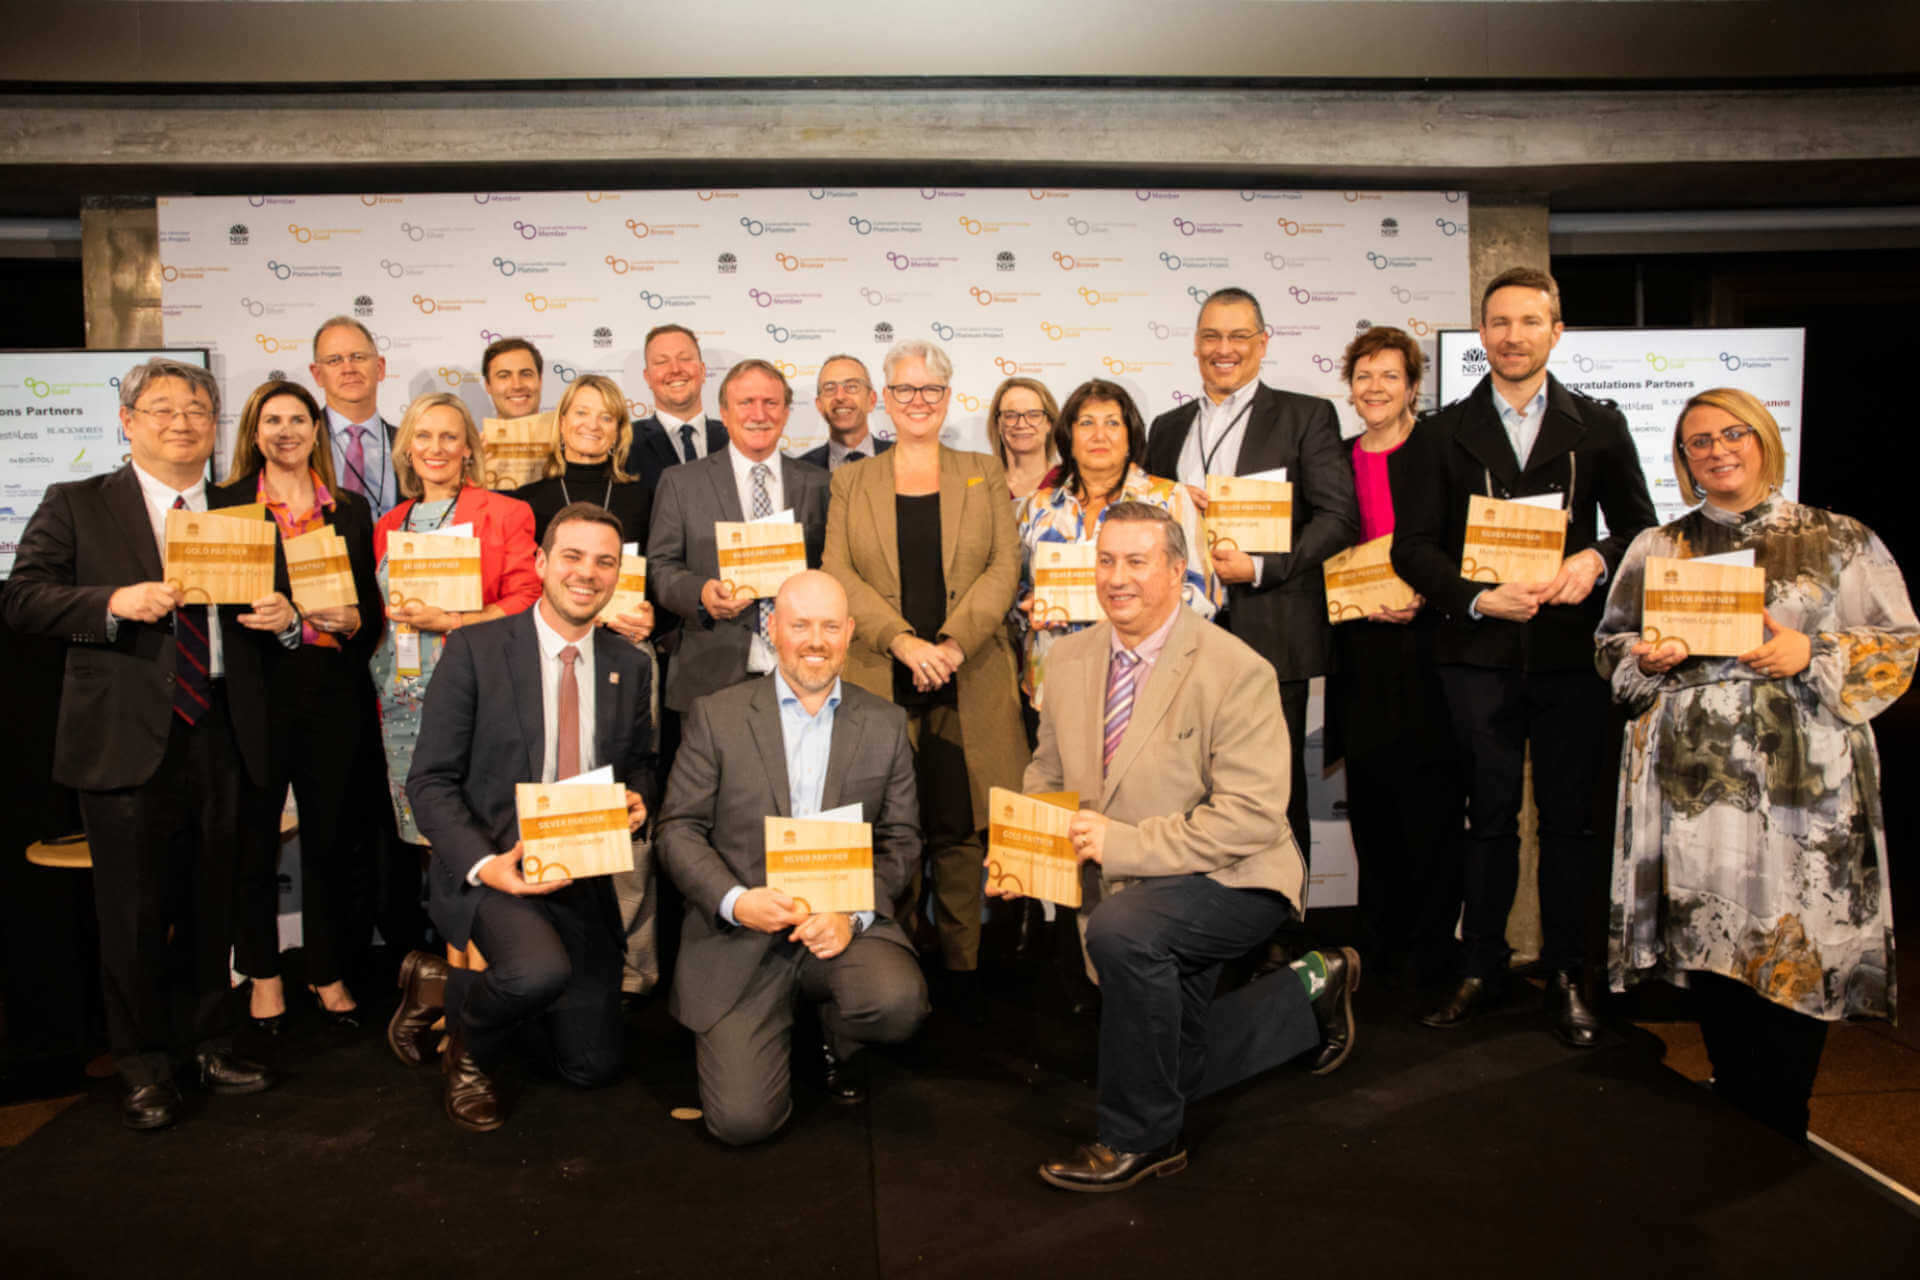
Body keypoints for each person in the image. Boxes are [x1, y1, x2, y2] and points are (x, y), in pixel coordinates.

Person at [999, 503, 1357, 1191]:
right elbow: (1046, 776)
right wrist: (1028, 855)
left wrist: (1122, 844)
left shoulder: (1235, 668)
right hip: (1134, 884)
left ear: (1175, 569)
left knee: (1126, 933)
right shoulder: (1070, 658)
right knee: (1172, 1062)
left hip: (1235, 876)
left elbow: (1251, 819)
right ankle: (1309, 991)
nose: (1117, 578)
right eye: (1106, 561)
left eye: (1137, 562)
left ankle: (1143, 1139)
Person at [1596, 389, 1914, 1141]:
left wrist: (1815, 650)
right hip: (1691, 790)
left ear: (1764, 438)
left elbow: (1898, 640)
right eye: (1697, 442)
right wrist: (1646, 655)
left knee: (1793, 939)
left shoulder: (1839, 539)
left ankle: (1784, 1115)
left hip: (1804, 788)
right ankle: (1737, 1103)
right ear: (1683, 461)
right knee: (1713, 938)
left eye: (1731, 434)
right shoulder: (1657, 548)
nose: (1717, 451)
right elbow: (1611, 650)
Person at [3, 357, 297, 1129]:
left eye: (197, 408)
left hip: (224, 732)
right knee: (131, 912)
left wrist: (284, 619)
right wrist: (111, 602)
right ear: (128, 422)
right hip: (125, 740)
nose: (182, 420)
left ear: (213, 425)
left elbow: (278, 612)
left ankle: (209, 1043)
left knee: (214, 900)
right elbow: (22, 598)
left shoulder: (244, 511)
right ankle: (141, 1065)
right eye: (162, 408)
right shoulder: (77, 504)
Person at [1390, 266, 1658, 1045]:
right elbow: (1412, 547)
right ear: (1483, 334)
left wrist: (1596, 562)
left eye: (1529, 322)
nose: (1513, 336)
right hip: (1477, 653)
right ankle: (1481, 967)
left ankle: (1571, 973)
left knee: (1573, 824)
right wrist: (1476, 595)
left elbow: (1640, 527)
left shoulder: (1598, 425)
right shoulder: (1439, 432)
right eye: (1499, 323)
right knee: (1487, 821)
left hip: (1573, 655)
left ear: (1556, 331)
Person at [394, 503, 657, 1130]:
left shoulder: (631, 663)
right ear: (540, 562)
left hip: (582, 874)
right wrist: (489, 867)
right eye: (572, 556)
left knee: (590, 1065)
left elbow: (640, 763)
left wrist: (642, 800)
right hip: (494, 865)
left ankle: (441, 986)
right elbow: (428, 782)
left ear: (619, 574)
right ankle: (467, 1051)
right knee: (536, 971)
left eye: (604, 561)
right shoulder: (476, 650)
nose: (586, 573)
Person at [657, 570, 930, 1145]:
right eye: (800, 624)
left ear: (850, 633)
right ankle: (777, 1030)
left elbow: (902, 840)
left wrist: (851, 915)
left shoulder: (883, 723)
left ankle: (836, 1028)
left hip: (840, 928)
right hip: (742, 934)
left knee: (897, 1003)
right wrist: (736, 902)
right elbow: (678, 829)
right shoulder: (717, 716)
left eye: (830, 626)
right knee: (741, 1124)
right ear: (773, 628)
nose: (815, 640)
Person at [821, 339, 1028, 1015]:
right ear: (884, 399)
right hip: (882, 673)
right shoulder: (853, 480)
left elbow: (1003, 569)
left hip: (968, 675)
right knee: (888, 826)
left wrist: (950, 645)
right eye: (904, 391)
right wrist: (907, 643)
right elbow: (838, 574)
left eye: (930, 391)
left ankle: (966, 975)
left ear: (948, 398)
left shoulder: (981, 471)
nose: (917, 402)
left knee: (961, 823)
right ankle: (892, 964)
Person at [1145, 286, 1358, 866]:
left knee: (1272, 790)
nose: (1225, 348)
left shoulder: (1305, 415)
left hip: (1273, 633)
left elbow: (1340, 517)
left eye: (1239, 335)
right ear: (1194, 346)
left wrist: (1264, 566)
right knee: (1185, 786)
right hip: (1180, 637)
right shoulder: (1166, 428)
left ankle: (1282, 930)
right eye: (1212, 335)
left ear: (1263, 343)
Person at [215, 379, 383, 1031]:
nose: (285, 430)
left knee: (331, 838)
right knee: (254, 837)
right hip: (255, 692)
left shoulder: (346, 508)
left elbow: (370, 617)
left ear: (317, 430)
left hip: (331, 692)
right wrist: (282, 612)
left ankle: (327, 968)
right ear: (254, 431)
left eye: (297, 419)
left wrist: (349, 618)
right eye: (271, 420)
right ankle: (261, 973)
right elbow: (217, 603)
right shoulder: (225, 505)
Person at [1326, 328, 1462, 989]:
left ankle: (1434, 950)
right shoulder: (1338, 456)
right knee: (1372, 800)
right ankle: (1380, 947)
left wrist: (1428, 593)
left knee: (1432, 805)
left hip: (1428, 646)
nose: (1375, 387)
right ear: (1349, 388)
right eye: (1364, 376)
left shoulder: (1439, 448)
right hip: (1359, 649)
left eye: (1390, 375)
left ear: (1413, 386)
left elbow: (1466, 538)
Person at [371, 393, 540, 851]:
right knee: (421, 832)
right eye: (424, 436)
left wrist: (453, 620)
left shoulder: (506, 513)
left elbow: (528, 599)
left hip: (473, 693)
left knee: (474, 831)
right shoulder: (389, 523)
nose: (436, 447)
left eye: (450, 436)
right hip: (400, 699)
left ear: (468, 448)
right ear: (408, 447)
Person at [1015, 378, 1213, 711]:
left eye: (1112, 423)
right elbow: (1015, 585)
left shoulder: (1170, 500)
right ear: (1069, 437)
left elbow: (1203, 594)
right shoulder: (1038, 506)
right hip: (1055, 683)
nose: (1099, 435)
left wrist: (1139, 616)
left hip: (1144, 684)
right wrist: (1027, 604)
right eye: (1087, 423)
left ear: (1130, 437)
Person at [647, 359, 829, 714]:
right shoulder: (681, 482)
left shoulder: (820, 483)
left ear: (787, 412)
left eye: (770, 403)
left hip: (802, 669)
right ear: (724, 413)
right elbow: (660, 568)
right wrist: (700, 593)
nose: (758, 414)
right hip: (713, 669)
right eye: (746, 403)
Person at [513, 373, 655, 635]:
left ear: (618, 431)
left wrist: (651, 617)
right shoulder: (526, 500)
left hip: (623, 640)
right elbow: (519, 587)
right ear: (563, 421)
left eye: (606, 417)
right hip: (547, 642)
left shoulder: (643, 498)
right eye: (582, 413)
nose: (593, 425)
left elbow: (657, 577)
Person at [310, 316, 398, 518]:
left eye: (358, 357)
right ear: (317, 375)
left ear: (380, 368)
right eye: (334, 360)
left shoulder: (411, 444)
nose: (348, 369)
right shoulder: (300, 444)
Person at [631, 324, 727, 495]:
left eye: (684, 359)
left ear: (703, 371)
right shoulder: (626, 442)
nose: (675, 369)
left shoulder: (734, 437)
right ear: (647, 378)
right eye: (661, 362)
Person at [797, 354, 893, 472]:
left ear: (872, 400)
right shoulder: (800, 471)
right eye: (830, 388)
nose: (840, 396)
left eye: (852, 387)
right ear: (819, 405)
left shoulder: (903, 459)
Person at [986, 376, 1060, 502]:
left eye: (1033, 415)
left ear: (1049, 423)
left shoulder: (1070, 483)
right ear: (998, 424)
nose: (1021, 424)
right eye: (1010, 416)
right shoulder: (983, 486)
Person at [481, 336, 544, 423]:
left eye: (526, 374)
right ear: (488, 385)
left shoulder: (564, 436)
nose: (517, 386)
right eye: (504, 376)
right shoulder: (472, 437)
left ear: (540, 381)